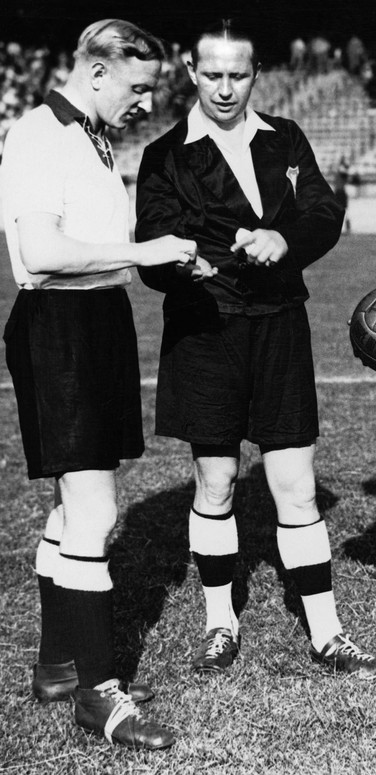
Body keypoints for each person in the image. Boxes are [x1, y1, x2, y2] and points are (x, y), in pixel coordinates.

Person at [135, 20, 376, 682]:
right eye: (212, 74)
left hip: (279, 323)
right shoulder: (166, 155)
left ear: (257, 75)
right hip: (205, 329)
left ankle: (328, 632)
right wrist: (182, 266)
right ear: (191, 71)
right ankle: (221, 620)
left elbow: (322, 211)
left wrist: (286, 243)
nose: (225, 88)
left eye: (239, 74)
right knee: (216, 481)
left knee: (296, 486)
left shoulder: (286, 139)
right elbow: (152, 247)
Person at [1, 19, 211, 750]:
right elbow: (39, 251)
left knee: (72, 503)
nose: (147, 103)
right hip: (60, 327)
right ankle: (100, 695)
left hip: (97, 321)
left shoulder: (88, 132)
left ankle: (60, 664)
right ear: (96, 72)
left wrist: (155, 258)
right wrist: (140, 248)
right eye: (139, 87)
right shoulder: (38, 132)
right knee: (94, 511)